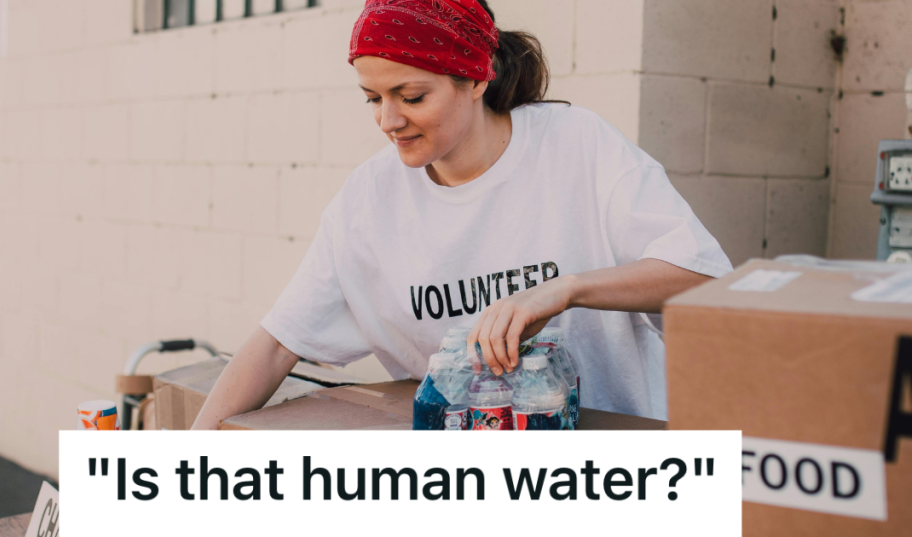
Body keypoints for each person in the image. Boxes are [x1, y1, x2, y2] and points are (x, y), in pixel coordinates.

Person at [192, 0, 732, 429]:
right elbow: (277, 342)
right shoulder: (368, 200)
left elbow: (702, 276)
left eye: (411, 96)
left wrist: (565, 289)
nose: (387, 120)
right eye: (371, 98)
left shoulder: (577, 146)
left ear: (476, 79)